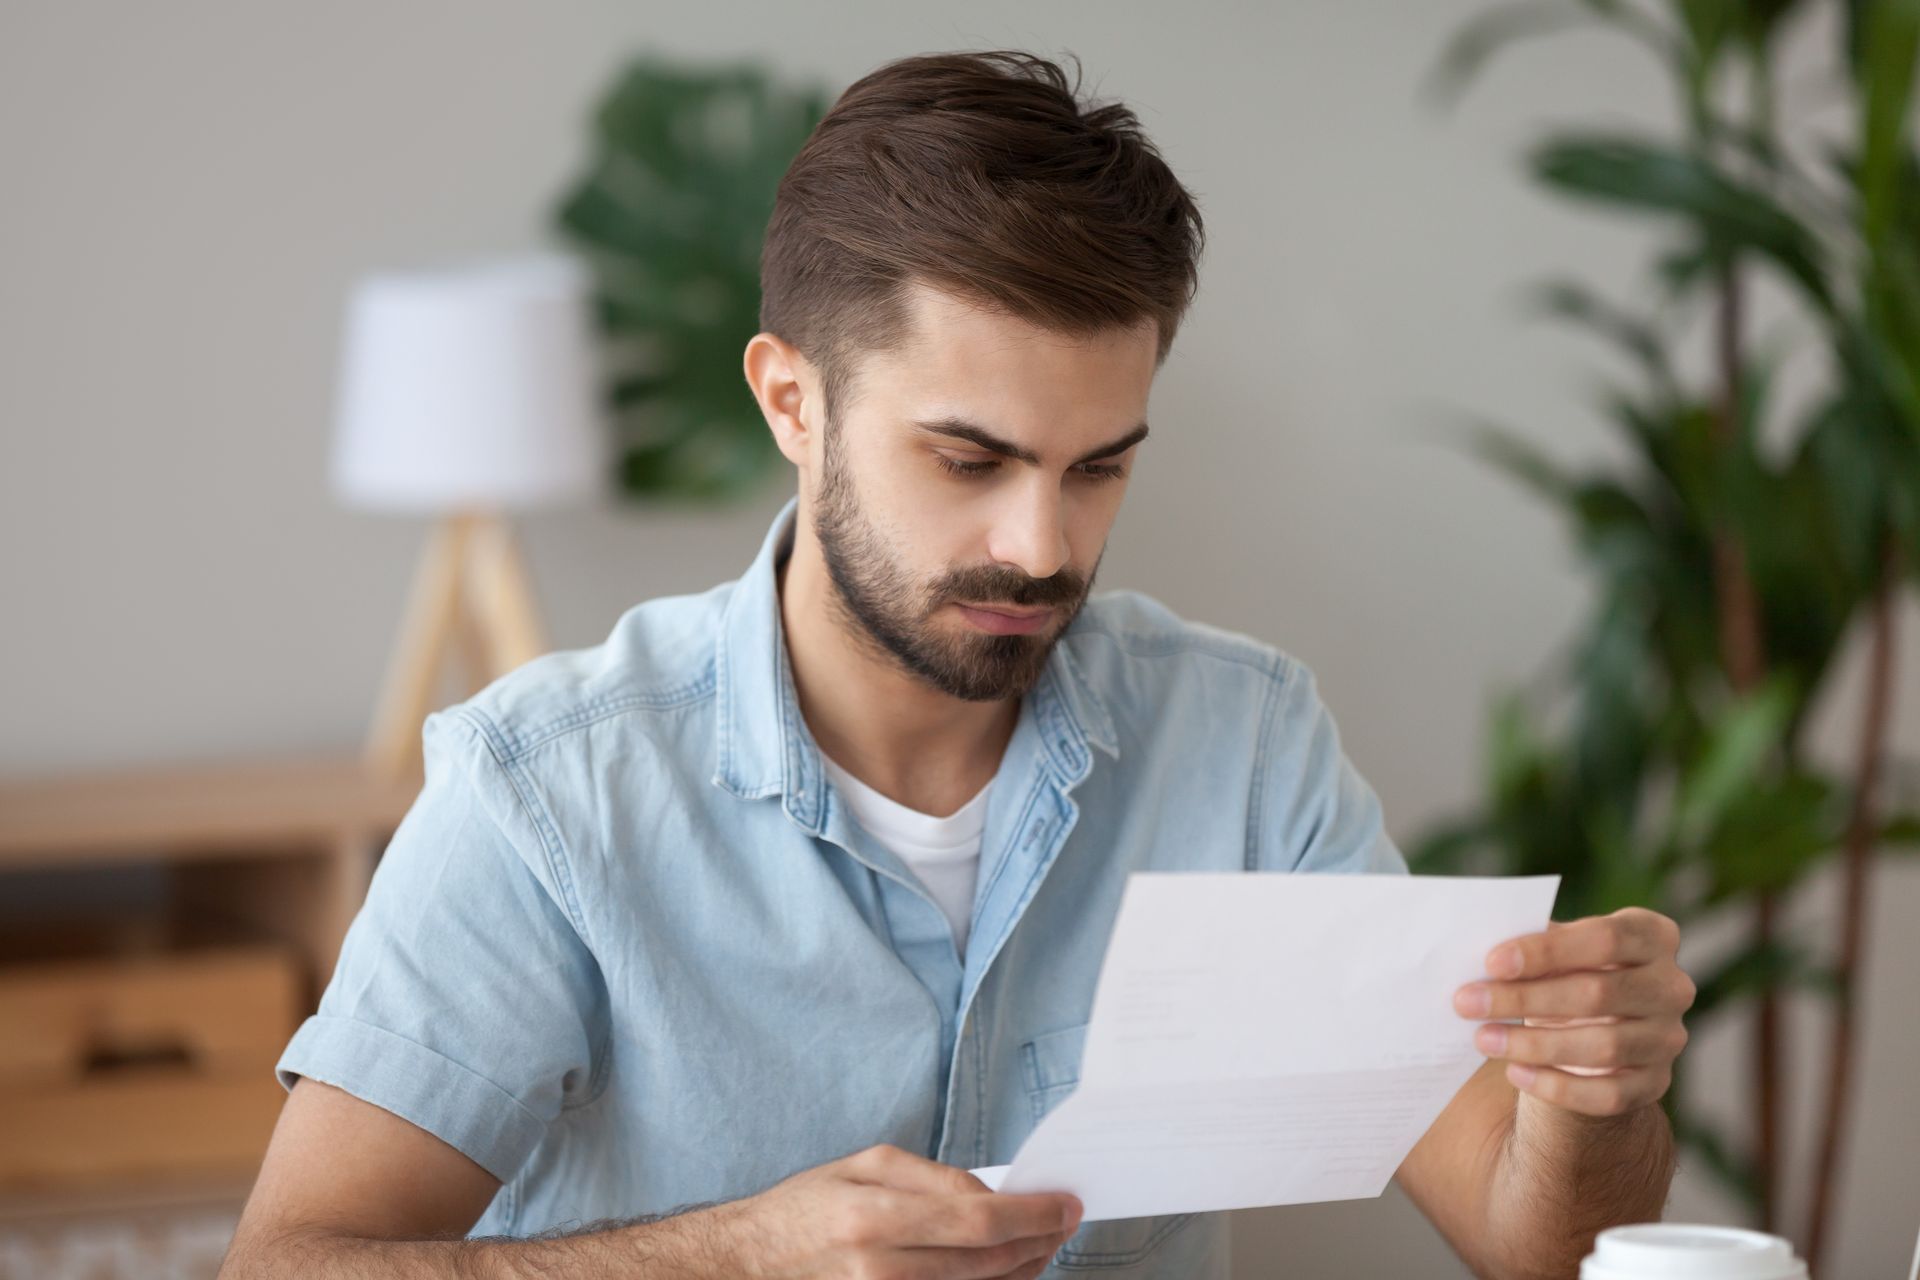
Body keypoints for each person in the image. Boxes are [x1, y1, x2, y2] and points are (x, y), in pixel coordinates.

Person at [219, 49, 1694, 1280]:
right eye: (968, 458)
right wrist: (745, 1253)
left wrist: (1593, 1100)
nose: (1042, 546)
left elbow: (1539, 1246)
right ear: (791, 401)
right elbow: (288, 1267)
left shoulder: (1242, 742)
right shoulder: (549, 793)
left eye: (1099, 467)